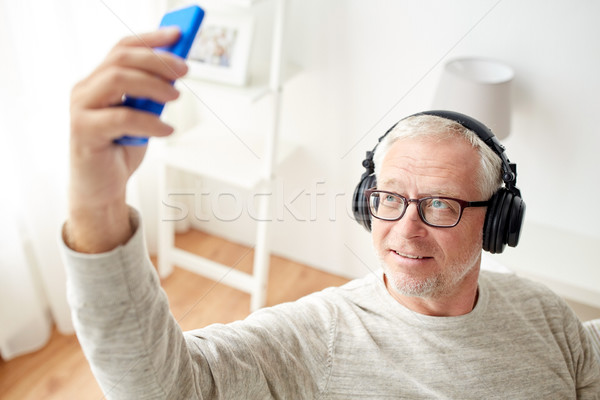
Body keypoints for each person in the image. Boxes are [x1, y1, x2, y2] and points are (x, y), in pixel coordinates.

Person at [62, 28, 600, 399]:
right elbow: (162, 389)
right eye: (389, 198)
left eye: (440, 203)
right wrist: (97, 203)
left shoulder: (546, 316)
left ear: (498, 221)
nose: (405, 230)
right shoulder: (319, 337)